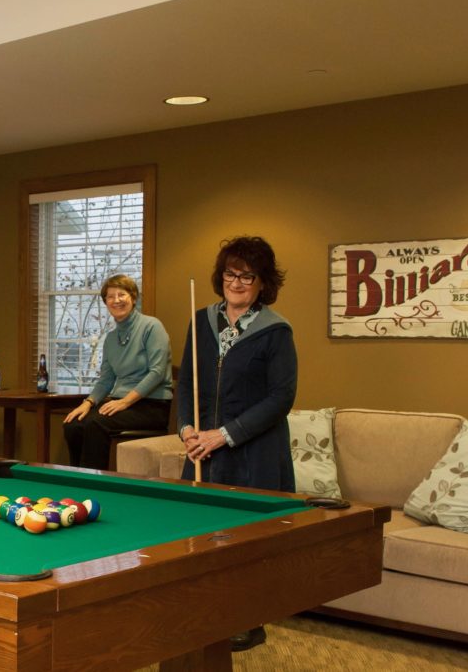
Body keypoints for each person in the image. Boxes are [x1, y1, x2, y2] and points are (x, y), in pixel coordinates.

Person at [177, 236, 298, 652]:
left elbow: (281, 398)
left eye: (248, 275)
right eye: (231, 273)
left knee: (245, 542)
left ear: (263, 283)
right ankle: (200, 614)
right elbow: (186, 383)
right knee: (197, 534)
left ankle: (247, 618)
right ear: (221, 276)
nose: (238, 282)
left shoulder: (275, 331)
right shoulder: (202, 321)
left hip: (254, 452)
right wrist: (188, 429)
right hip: (203, 451)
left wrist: (224, 434)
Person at [63, 275, 173, 470]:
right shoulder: (111, 338)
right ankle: (77, 478)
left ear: (133, 297)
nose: (116, 300)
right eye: (110, 297)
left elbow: (157, 373)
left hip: (152, 405)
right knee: (73, 423)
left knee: (96, 423)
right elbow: (106, 379)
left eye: (121, 294)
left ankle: (94, 483)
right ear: (105, 302)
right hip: (121, 404)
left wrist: (125, 401)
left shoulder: (152, 326)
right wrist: (87, 403)